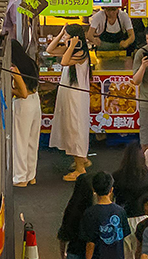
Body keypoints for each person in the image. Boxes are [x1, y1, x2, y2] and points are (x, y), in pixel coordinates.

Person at [46, 25, 92, 181]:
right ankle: (82, 160)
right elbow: (50, 50)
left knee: (75, 127)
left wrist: (71, 45)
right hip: (69, 94)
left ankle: (80, 169)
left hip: (76, 97)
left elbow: (65, 62)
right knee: (70, 126)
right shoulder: (71, 49)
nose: (65, 38)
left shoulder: (81, 53)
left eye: (67, 35)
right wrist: (60, 34)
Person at [11, 39, 41, 188]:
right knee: (31, 141)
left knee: (20, 142)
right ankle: (31, 175)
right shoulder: (30, 63)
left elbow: (22, 93)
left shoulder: (14, 67)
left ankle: (20, 177)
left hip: (23, 105)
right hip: (35, 101)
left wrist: (8, 89)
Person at [112, 143, 148, 220]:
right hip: (143, 215)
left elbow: (113, 196)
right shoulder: (147, 177)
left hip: (125, 215)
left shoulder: (117, 176)